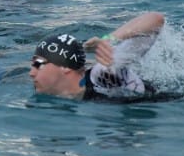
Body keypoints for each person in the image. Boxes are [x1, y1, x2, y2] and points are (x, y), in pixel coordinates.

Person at [29, 12, 166, 101]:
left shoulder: (102, 74)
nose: (31, 73)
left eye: (38, 64)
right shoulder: (51, 91)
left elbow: (156, 20)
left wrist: (109, 40)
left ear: (65, 67)